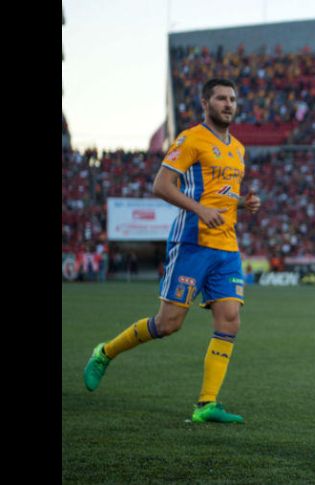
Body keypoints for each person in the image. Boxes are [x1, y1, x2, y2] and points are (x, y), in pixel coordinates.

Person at [83, 78, 261, 424]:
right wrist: (198, 210)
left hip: (227, 247)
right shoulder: (191, 139)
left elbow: (220, 194)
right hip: (192, 243)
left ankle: (206, 404)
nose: (228, 104)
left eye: (233, 99)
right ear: (205, 103)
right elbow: (161, 185)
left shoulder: (238, 148)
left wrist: (243, 202)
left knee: (230, 320)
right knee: (167, 324)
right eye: (221, 98)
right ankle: (105, 352)